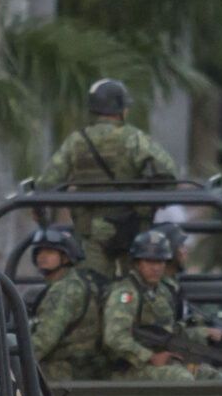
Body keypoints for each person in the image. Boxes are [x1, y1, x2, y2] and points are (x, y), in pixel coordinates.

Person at [34, 78, 182, 271]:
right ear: (121, 109)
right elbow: (169, 174)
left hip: (90, 233)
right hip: (131, 229)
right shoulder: (134, 139)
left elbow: (47, 182)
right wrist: (147, 199)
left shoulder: (77, 141)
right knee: (132, 288)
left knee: (93, 288)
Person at [99, 228, 222, 381]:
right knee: (182, 379)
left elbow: (169, 332)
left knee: (215, 376)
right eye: (149, 261)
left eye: (160, 261)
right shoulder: (126, 293)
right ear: (137, 263)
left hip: (164, 360)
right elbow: (115, 338)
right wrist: (150, 357)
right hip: (131, 368)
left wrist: (203, 333)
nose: (155, 267)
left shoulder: (163, 291)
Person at [27, 225, 110, 384]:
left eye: (50, 252)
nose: (42, 257)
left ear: (65, 257)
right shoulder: (73, 282)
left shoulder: (64, 290)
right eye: (39, 252)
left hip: (65, 371)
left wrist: (14, 362)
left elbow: (44, 340)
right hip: (79, 369)